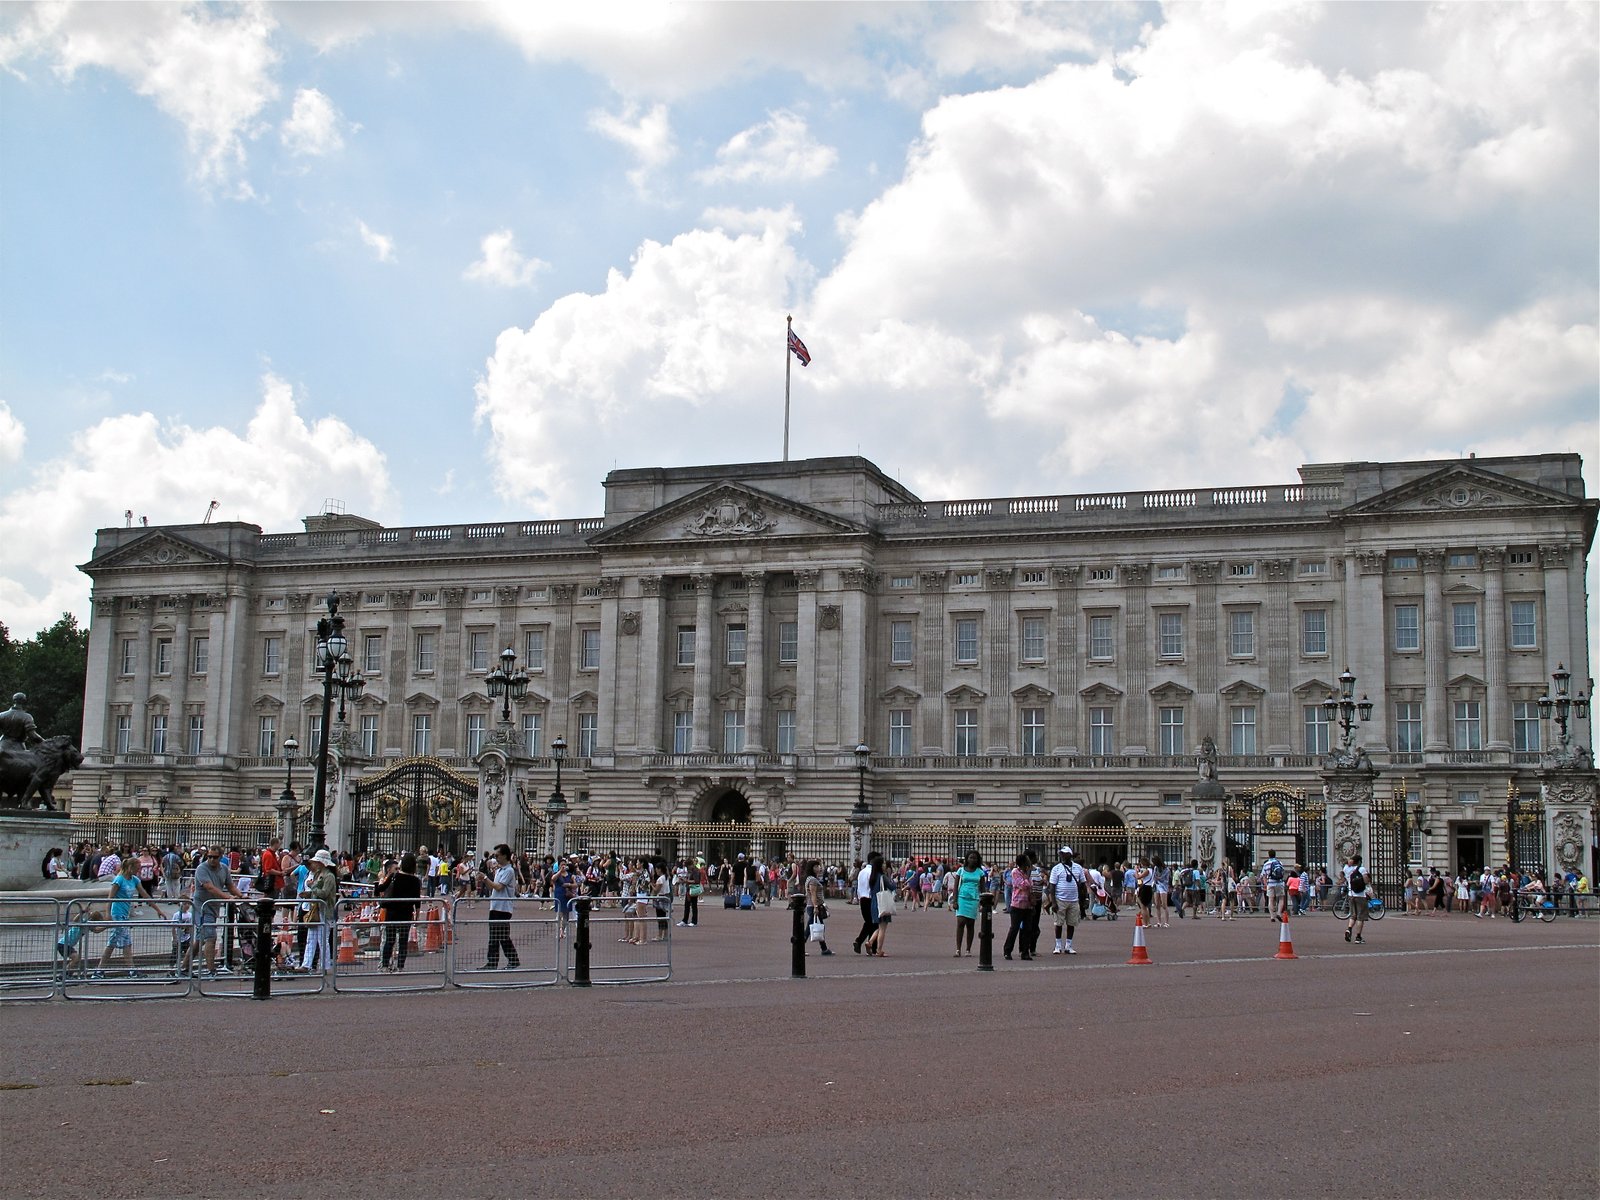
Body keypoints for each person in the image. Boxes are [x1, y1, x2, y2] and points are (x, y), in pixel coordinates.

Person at [97, 857, 165, 973]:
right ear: (130, 867)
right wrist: (107, 914)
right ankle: (129, 970)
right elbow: (110, 897)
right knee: (122, 942)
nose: (138, 871)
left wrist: (157, 909)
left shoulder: (134, 880)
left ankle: (102, 970)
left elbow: (144, 894)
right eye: (137, 869)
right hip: (117, 913)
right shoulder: (119, 880)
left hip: (125, 914)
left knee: (117, 943)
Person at [187, 845, 245, 977]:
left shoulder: (224, 868)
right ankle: (211, 970)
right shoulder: (202, 868)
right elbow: (210, 887)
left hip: (213, 907)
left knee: (199, 940)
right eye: (209, 857)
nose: (212, 859)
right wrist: (228, 898)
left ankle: (184, 968)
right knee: (211, 937)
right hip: (201, 907)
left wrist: (241, 895)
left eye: (215, 857)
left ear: (221, 857)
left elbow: (230, 885)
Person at [377, 852, 423, 972]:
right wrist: (417, 916)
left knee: (390, 940)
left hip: (392, 911)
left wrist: (380, 880)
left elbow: (381, 888)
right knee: (403, 941)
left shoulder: (394, 876)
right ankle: (400, 966)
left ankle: (385, 966)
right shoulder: (415, 880)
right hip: (406, 912)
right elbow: (417, 901)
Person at [480, 844, 520, 969]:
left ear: (504, 855)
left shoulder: (509, 870)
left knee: (502, 936)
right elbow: (493, 888)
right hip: (495, 906)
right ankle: (493, 962)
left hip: (503, 908)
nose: (495, 858)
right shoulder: (499, 870)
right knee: (495, 937)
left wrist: (485, 878)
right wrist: (485, 881)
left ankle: (512, 960)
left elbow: (499, 887)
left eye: (497, 855)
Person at [299, 849, 339, 973]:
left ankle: (325, 966)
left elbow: (324, 893)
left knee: (323, 939)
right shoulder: (318, 874)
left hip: (325, 910)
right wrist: (309, 894)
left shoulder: (329, 876)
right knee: (311, 938)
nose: (314, 864)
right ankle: (306, 964)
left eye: (316, 861)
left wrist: (312, 888)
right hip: (316, 909)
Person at [1048, 847, 1088, 955]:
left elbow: (1083, 884)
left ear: (1070, 855)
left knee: (1071, 923)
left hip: (1074, 899)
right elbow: (1052, 886)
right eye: (1061, 854)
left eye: (1064, 854)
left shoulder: (1078, 868)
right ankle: (1058, 945)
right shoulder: (1056, 868)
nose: (1062, 856)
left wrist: (1084, 898)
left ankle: (1068, 945)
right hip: (1060, 899)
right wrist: (1054, 902)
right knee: (1059, 923)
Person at [952, 851, 985, 957]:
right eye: (971, 857)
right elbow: (956, 887)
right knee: (960, 922)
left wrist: (982, 903)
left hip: (974, 899)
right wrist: (955, 901)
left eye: (975, 858)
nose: (973, 860)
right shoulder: (960, 870)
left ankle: (968, 949)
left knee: (970, 924)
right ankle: (958, 949)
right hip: (962, 898)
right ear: (967, 859)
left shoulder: (980, 872)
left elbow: (983, 889)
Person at [1003, 852, 1034, 960]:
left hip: (1028, 905)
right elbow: (1022, 885)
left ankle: (1025, 951)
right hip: (1017, 904)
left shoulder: (1027, 872)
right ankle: (1007, 950)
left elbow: (1030, 885)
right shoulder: (1015, 872)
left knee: (1027, 929)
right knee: (1014, 928)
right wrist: (1028, 878)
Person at [801, 860, 834, 956]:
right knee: (809, 929)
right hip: (814, 906)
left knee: (820, 927)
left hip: (813, 906)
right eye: (816, 866)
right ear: (812, 868)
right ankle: (800, 947)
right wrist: (816, 906)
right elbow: (813, 894)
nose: (818, 868)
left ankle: (824, 948)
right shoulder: (813, 880)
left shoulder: (810, 878)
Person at [864, 855, 893, 957]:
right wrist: (890, 877)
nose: (885, 865)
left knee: (879, 926)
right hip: (882, 903)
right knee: (883, 928)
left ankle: (870, 942)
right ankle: (879, 950)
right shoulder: (882, 877)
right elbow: (892, 887)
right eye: (884, 863)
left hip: (874, 903)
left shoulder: (873, 877)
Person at [852, 855, 878, 954]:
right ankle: (865, 944)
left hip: (862, 898)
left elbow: (859, 886)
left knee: (869, 923)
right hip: (870, 899)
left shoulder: (862, 872)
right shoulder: (872, 872)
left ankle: (868, 945)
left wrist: (858, 897)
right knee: (873, 923)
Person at [1342, 853, 1370, 945]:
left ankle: (1349, 929)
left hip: (1351, 894)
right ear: (1359, 861)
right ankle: (1358, 936)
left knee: (1353, 915)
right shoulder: (1361, 869)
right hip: (1360, 895)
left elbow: (1346, 863)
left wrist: (1349, 861)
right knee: (1360, 917)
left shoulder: (1346, 869)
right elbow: (1366, 880)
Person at [1261, 852, 1288, 922]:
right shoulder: (1279, 863)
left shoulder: (1266, 864)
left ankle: (1272, 916)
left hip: (1270, 883)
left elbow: (1263, 875)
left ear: (1269, 855)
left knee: (1270, 899)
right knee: (1281, 898)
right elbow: (1283, 872)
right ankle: (1279, 913)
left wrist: (1265, 884)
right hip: (1279, 882)